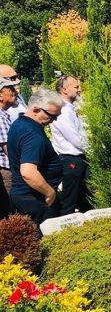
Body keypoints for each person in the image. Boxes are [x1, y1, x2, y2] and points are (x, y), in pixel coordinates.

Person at [7, 88, 64, 226]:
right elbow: (28, 172)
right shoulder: (32, 134)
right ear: (36, 109)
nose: (54, 120)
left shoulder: (19, 124)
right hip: (35, 200)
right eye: (52, 116)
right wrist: (49, 192)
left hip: (24, 196)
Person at [50, 76, 90, 215]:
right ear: (64, 89)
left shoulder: (71, 109)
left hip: (79, 158)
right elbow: (76, 139)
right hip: (71, 160)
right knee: (69, 201)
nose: (79, 89)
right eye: (76, 87)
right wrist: (94, 151)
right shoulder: (62, 111)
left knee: (84, 199)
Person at [0, 77, 19, 217]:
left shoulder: (4, 115)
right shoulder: (0, 117)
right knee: (10, 212)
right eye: (10, 89)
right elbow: (9, 149)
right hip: (8, 172)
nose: (15, 91)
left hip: (9, 170)